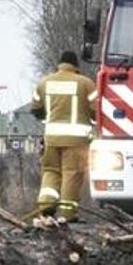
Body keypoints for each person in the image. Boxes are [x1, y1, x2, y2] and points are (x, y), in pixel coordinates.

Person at [30, 49, 97, 222]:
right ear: (76, 66)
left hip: (51, 139)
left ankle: (46, 207)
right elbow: (96, 110)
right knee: (71, 173)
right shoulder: (85, 83)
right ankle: (67, 215)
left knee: (50, 171)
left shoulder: (44, 82)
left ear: (59, 64)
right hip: (76, 140)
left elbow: (36, 110)